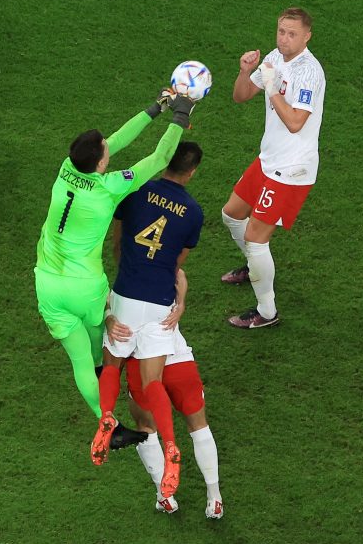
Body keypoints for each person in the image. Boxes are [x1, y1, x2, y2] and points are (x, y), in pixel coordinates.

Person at [34, 86, 194, 450]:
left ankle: (109, 422)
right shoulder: (107, 189)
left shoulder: (66, 169)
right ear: (101, 164)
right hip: (85, 288)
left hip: (47, 283)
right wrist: (180, 116)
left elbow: (114, 140)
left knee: (80, 360)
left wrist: (156, 107)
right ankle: (117, 388)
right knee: (100, 357)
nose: (109, 148)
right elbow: (158, 158)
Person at [90, 143, 205, 502]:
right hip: (160, 304)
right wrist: (179, 300)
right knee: (152, 380)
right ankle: (171, 444)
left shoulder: (137, 190)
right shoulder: (195, 213)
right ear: (192, 172)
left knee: (112, 365)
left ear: (166, 161)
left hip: (126, 294)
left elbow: (118, 238)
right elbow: (177, 263)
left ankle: (107, 417)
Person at [222, 7, 326, 328]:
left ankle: (267, 312)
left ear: (306, 36)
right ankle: (256, 269)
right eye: (281, 31)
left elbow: (296, 122)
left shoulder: (310, 72)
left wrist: (271, 87)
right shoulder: (274, 58)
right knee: (232, 213)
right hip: (269, 159)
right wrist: (245, 71)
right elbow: (241, 96)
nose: (284, 39)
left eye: (292, 34)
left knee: (256, 239)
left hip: (292, 169)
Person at [106, 269, 224, 519]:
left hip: (143, 367)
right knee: (199, 426)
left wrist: (108, 317)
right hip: (179, 359)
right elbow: (181, 277)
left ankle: (165, 496)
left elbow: (108, 318)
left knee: (146, 427)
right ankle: (214, 498)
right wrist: (180, 305)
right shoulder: (165, 272)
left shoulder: (121, 291)